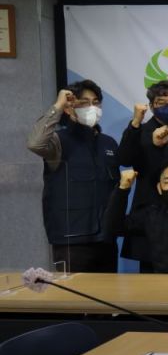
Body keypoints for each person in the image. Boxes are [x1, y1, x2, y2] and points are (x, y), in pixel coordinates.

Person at [27, 81, 119, 272]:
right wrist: (58, 106)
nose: (91, 107)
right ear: (69, 109)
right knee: (73, 292)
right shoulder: (58, 141)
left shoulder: (108, 143)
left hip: (105, 239)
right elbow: (35, 144)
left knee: (108, 291)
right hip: (71, 241)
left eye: (95, 102)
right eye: (84, 102)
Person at [116, 79, 168, 271]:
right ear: (152, 106)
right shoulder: (140, 132)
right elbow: (124, 159)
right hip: (148, 215)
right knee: (149, 278)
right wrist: (138, 126)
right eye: (161, 102)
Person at [102, 160, 168, 275]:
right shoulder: (149, 215)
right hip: (156, 283)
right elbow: (113, 227)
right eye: (167, 182)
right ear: (159, 187)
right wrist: (122, 189)